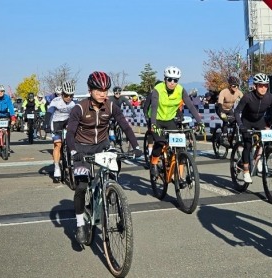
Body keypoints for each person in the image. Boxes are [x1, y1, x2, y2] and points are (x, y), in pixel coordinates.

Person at [66, 71, 141, 245]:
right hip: (81, 148)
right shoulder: (80, 108)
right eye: (98, 90)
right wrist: (72, 151)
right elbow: (70, 133)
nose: (103, 93)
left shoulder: (111, 106)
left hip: (102, 145)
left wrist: (136, 146)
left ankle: (112, 190)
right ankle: (80, 223)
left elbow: (126, 126)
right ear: (90, 90)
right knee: (82, 186)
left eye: (105, 90)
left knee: (117, 159)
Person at [146, 66, 203, 180]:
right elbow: (154, 107)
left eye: (175, 80)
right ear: (165, 79)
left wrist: (200, 122)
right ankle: (154, 162)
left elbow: (190, 106)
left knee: (180, 146)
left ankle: (179, 177)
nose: (172, 83)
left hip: (169, 119)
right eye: (169, 79)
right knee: (160, 142)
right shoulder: (158, 88)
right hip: (156, 119)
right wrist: (152, 124)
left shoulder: (181, 90)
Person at [234, 73, 272, 183]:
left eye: (266, 85)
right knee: (248, 145)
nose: (264, 88)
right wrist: (241, 125)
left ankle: (257, 158)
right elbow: (237, 112)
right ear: (255, 86)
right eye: (261, 85)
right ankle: (245, 171)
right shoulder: (248, 97)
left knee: (266, 139)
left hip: (259, 121)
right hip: (247, 122)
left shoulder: (270, 97)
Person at [43, 81, 77, 183]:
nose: (68, 98)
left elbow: (78, 114)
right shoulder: (56, 101)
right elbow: (49, 113)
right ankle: (57, 167)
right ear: (62, 94)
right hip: (56, 122)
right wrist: (46, 124)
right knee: (57, 144)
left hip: (67, 121)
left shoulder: (73, 102)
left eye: (71, 95)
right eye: (66, 95)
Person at [216, 76, 243, 142]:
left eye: (237, 86)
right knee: (225, 120)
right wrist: (222, 112)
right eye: (234, 86)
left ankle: (231, 136)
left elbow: (244, 100)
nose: (236, 87)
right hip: (220, 108)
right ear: (230, 85)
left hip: (229, 109)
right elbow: (220, 103)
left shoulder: (238, 92)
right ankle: (224, 136)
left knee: (234, 122)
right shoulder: (224, 92)